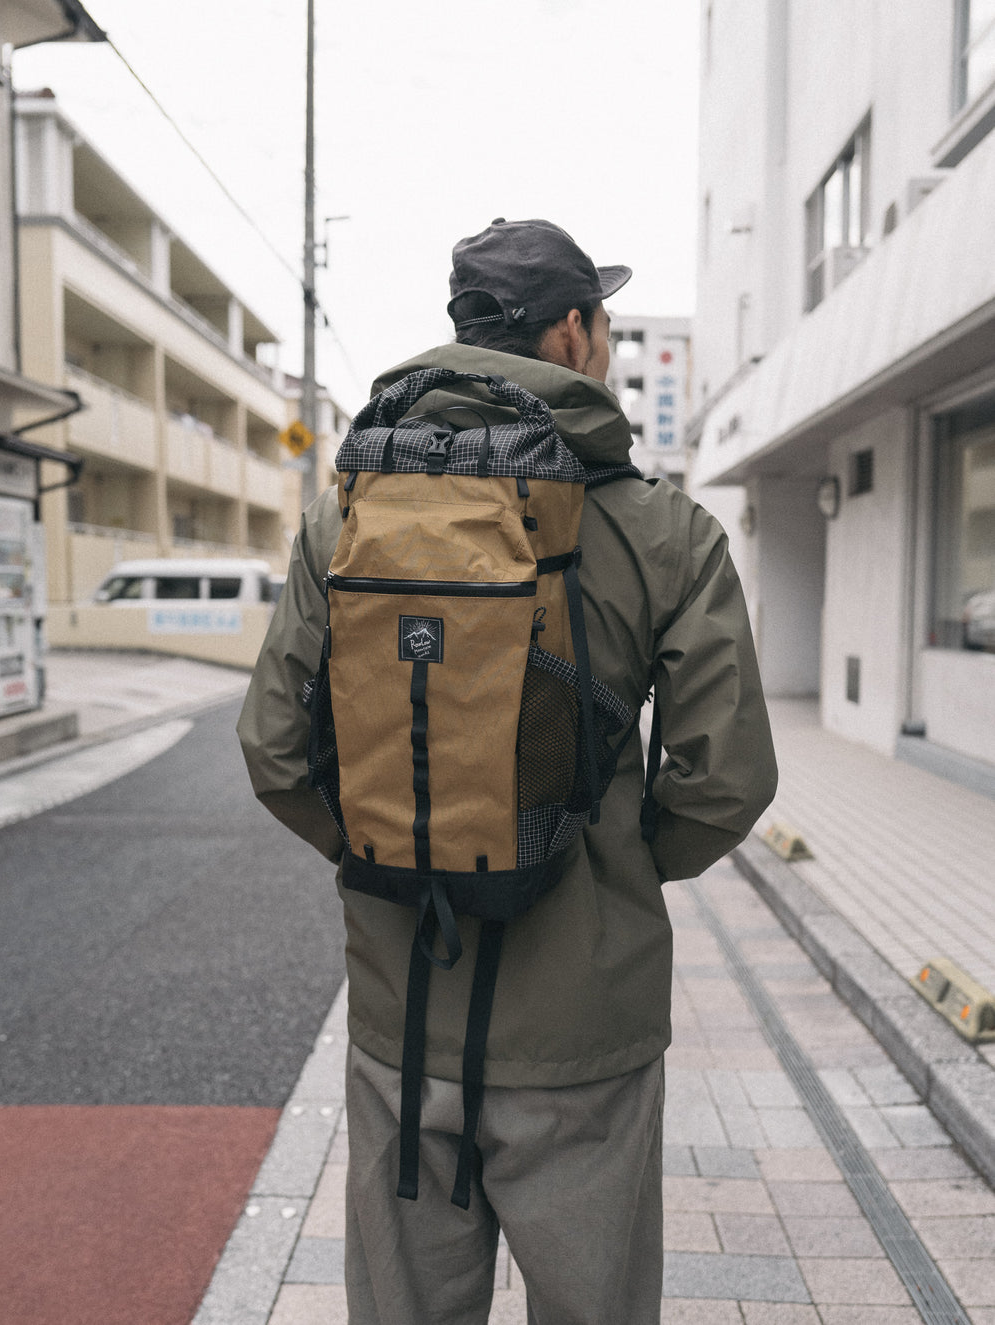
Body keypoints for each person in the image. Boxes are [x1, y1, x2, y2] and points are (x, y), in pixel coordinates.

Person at [237, 217, 778, 1324]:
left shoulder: (346, 512)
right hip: (585, 1036)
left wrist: (382, 842)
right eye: (607, 323)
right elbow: (724, 777)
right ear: (573, 332)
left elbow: (273, 748)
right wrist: (614, 864)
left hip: (400, 1021)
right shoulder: (662, 530)